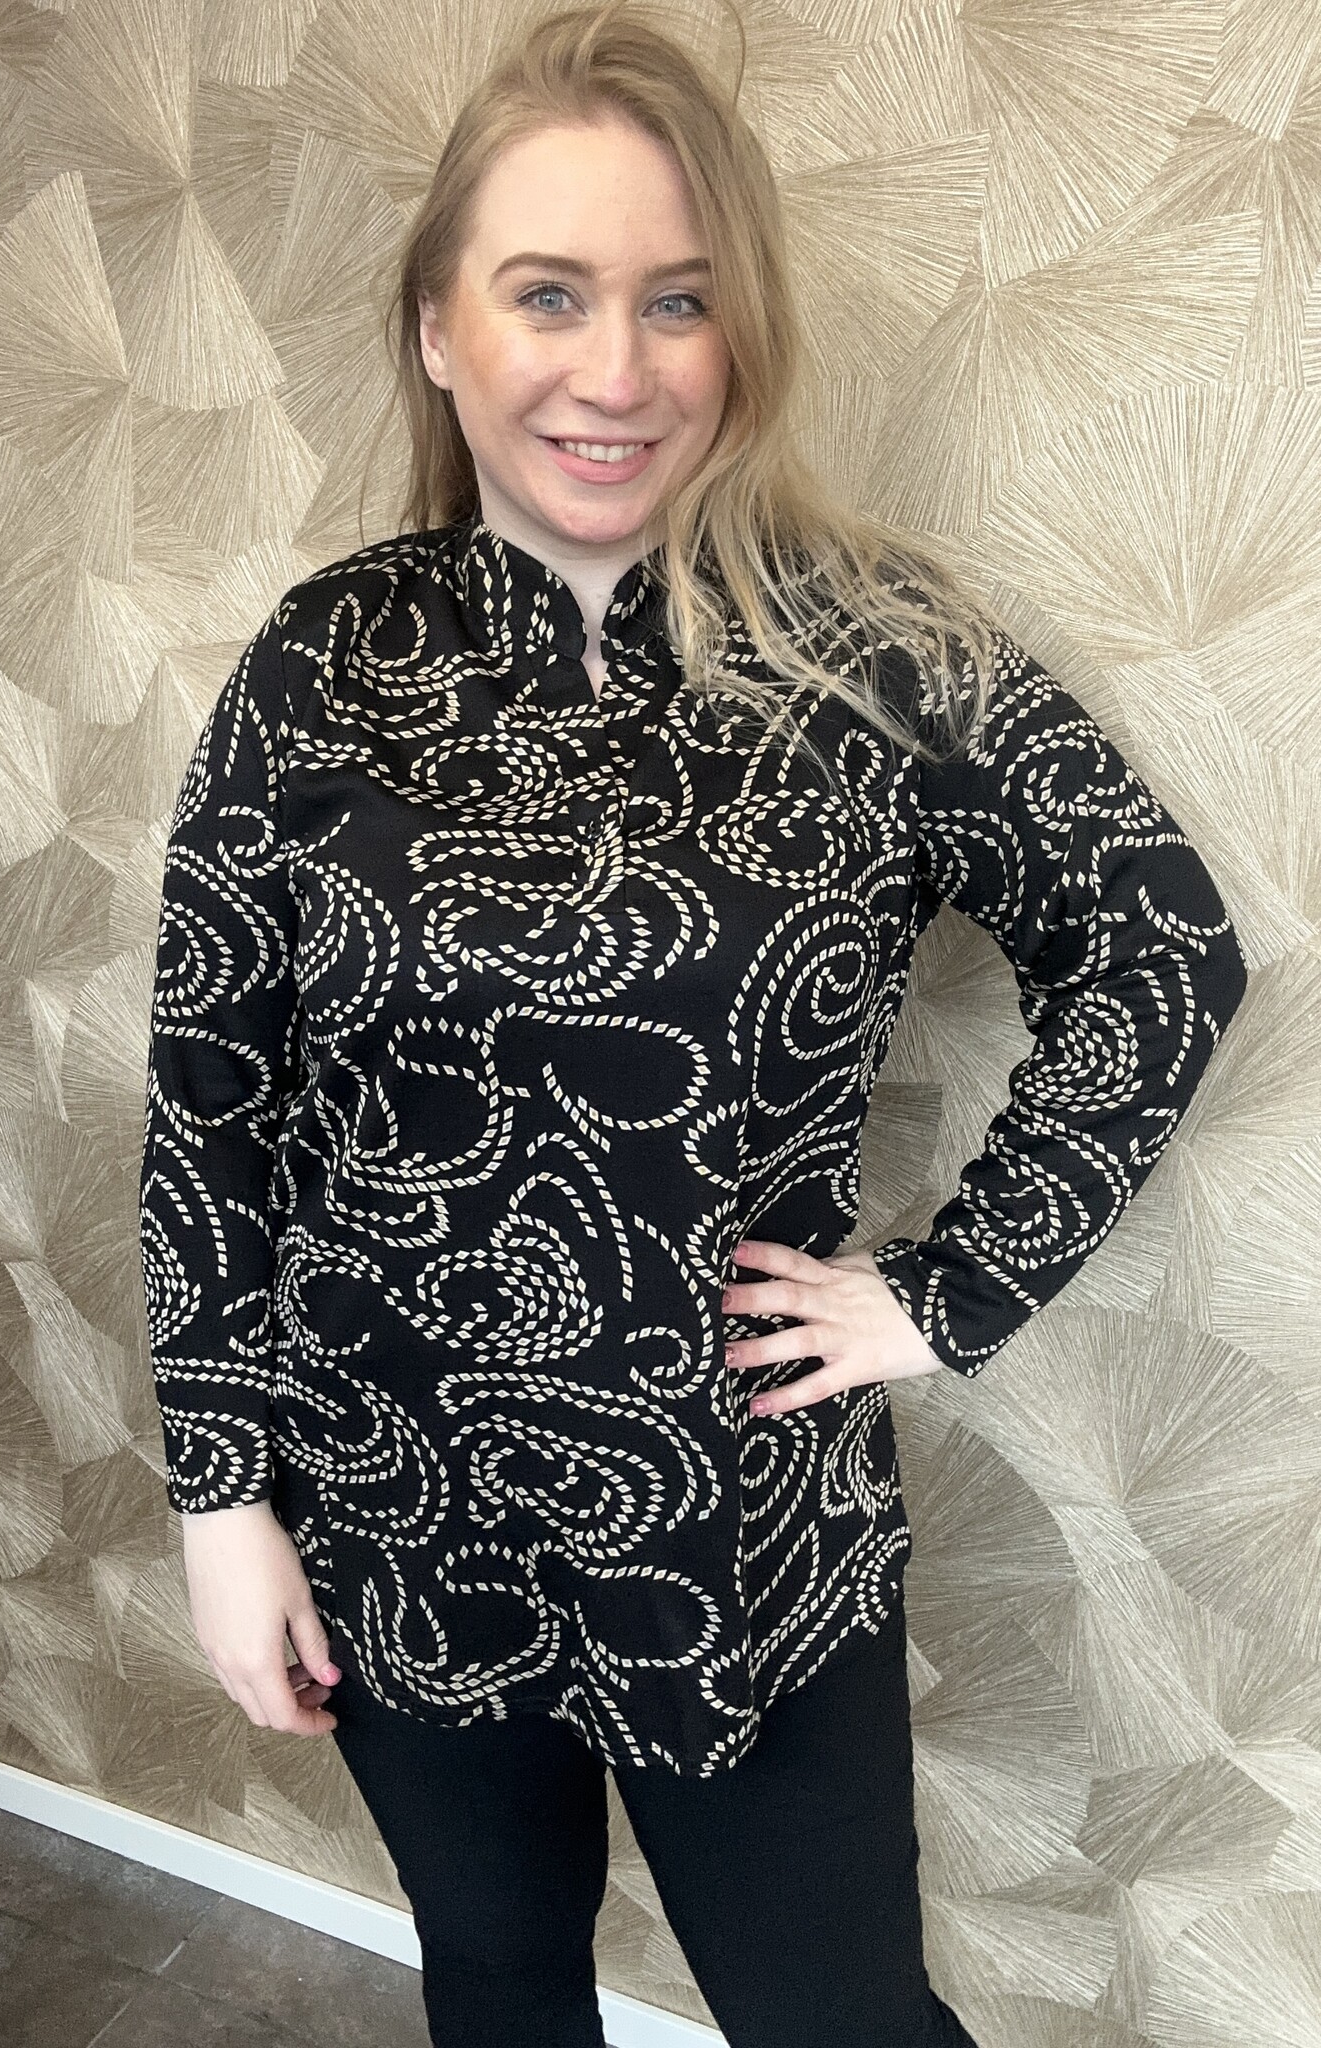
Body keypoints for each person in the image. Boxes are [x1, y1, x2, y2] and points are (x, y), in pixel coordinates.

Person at [137, 6, 1248, 2044]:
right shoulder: (321, 662)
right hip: (392, 1501)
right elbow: (213, 1106)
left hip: (740, 1515)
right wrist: (224, 1498)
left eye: (679, 299)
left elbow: (1160, 947)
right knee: (499, 1980)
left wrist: (945, 1292)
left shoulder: (877, 649)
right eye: (548, 293)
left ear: (740, 335)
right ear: (438, 328)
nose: (618, 368)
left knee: (839, 2016)